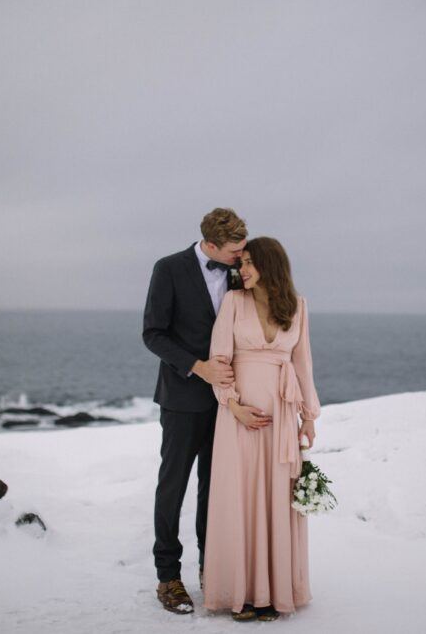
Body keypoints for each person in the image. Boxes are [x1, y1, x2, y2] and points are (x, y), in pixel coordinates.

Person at [202, 236, 321, 622]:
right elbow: (219, 360)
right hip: (239, 418)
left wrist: (309, 417)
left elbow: (303, 365)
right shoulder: (234, 303)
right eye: (242, 262)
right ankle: (244, 593)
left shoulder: (298, 307)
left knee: (277, 501)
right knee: (241, 499)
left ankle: (274, 593)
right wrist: (234, 406)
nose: (243, 269)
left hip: (282, 419)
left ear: (270, 265)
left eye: (250, 262)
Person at [143, 207, 248, 615]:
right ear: (209, 245)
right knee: (173, 486)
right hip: (183, 398)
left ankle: (212, 569)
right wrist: (197, 366)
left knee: (215, 489)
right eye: (235, 250)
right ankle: (168, 576)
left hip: (229, 402)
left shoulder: (241, 268)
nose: (242, 256)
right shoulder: (168, 269)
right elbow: (153, 333)